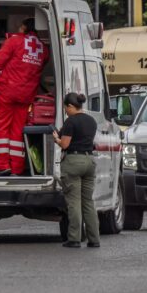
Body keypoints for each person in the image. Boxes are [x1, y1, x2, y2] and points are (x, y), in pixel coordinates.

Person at [0, 18, 49, 176]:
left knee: (1, 127)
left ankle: (2, 166)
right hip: (26, 95)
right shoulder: (44, 49)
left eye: (20, 25)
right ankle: (17, 168)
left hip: (6, 92)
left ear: (24, 27)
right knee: (17, 131)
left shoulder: (14, 41)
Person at [53, 93, 100, 248]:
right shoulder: (91, 121)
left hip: (74, 162)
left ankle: (74, 238)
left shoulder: (70, 121)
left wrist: (56, 139)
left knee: (74, 202)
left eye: (66, 107)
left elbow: (65, 144)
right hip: (89, 161)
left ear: (71, 106)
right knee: (88, 202)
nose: (66, 111)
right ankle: (94, 239)